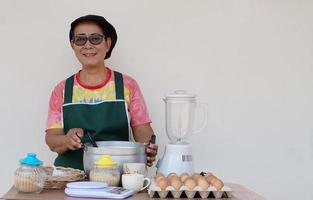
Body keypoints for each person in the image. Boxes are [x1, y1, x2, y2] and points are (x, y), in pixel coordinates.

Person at [45, 15, 158, 170]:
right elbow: (52, 140)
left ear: (108, 43)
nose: (88, 45)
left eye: (96, 38)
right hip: (71, 179)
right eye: (80, 39)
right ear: (73, 45)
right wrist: (67, 139)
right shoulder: (62, 90)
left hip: (118, 177)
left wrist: (147, 149)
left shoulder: (127, 85)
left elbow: (143, 135)